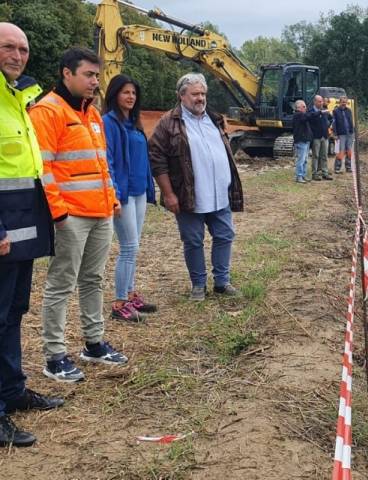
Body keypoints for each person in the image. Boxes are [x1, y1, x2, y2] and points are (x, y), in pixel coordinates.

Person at [30, 47, 128, 383]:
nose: (94, 81)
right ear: (66, 74)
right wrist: (59, 213)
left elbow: (101, 165)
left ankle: (94, 342)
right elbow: (42, 168)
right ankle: (55, 355)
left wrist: (112, 200)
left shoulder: (92, 114)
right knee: (61, 283)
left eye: (96, 75)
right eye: (88, 75)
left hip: (100, 212)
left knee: (93, 279)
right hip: (71, 216)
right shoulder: (47, 111)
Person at [0, 22, 63, 448]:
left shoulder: (20, 98)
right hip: (3, 230)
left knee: (13, 312)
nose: (17, 54)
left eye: (22, 48)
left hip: (22, 229)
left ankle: (11, 391)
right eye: (8, 46)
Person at [149, 73, 243, 301]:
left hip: (220, 193)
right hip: (189, 195)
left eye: (203, 93)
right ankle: (198, 285)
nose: (200, 98)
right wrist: (169, 194)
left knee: (224, 235)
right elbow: (156, 158)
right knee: (193, 240)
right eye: (195, 94)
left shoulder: (215, 118)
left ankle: (222, 282)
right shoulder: (168, 122)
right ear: (182, 96)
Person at [103, 74, 157, 322]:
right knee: (128, 247)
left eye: (134, 93)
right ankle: (119, 302)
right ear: (115, 94)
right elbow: (108, 159)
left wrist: (149, 188)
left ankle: (131, 294)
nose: (131, 97)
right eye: (126, 92)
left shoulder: (134, 124)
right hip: (122, 194)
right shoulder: (109, 123)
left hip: (138, 192)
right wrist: (114, 192)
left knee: (134, 247)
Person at [292, 99, 321, 183]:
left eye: (305, 106)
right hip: (301, 140)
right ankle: (299, 176)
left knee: (305, 160)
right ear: (298, 107)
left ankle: (303, 175)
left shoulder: (303, 115)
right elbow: (309, 116)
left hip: (306, 140)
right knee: (301, 160)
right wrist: (319, 112)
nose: (305, 108)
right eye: (304, 106)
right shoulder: (298, 115)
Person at [309, 95, 333, 181]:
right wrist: (320, 113)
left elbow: (331, 118)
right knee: (315, 155)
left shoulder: (324, 110)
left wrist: (328, 124)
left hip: (325, 136)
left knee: (324, 155)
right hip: (316, 137)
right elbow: (311, 117)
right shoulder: (311, 111)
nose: (321, 103)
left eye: (322, 101)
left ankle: (325, 173)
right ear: (315, 102)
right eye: (319, 101)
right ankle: (314, 173)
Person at [332, 96, 355, 174]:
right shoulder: (335, 111)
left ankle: (348, 167)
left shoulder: (349, 111)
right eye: (342, 102)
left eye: (345, 102)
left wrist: (353, 132)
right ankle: (337, 168)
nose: (344, 103)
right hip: (341, 134)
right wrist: (335, 134)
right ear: (340, 102)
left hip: (350, 133)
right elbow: (334, 123)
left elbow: (351, 121)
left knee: (349, 151)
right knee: (340, 151)